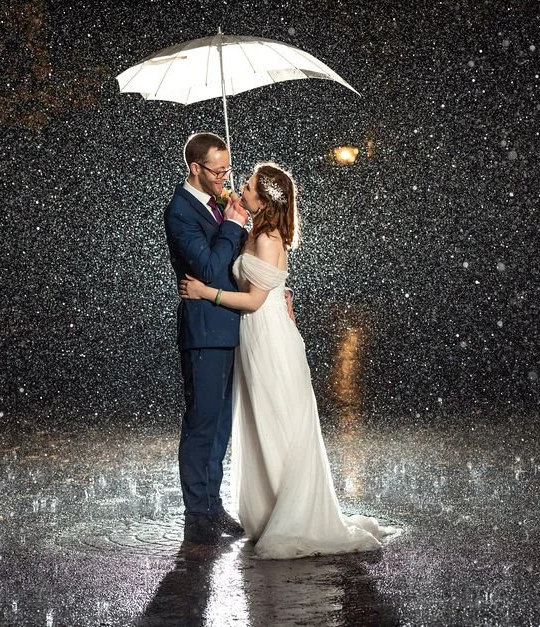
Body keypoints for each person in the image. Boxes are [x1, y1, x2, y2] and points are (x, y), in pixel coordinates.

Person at [179, 163, 398, 559]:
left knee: (278, 420)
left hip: (268, 339)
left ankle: (292, 514)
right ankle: (269, 508)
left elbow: (252, 299)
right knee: (263, 422)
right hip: (257, 335)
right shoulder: (255, 231)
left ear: (263, 200)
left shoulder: (265, 238)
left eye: (246, 186)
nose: (238, 187)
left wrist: (204, 292)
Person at [164, 132, 249, 546]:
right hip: (204, 330)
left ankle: (213, 506)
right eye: (218, 171)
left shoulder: (217, 205)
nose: (224, 178)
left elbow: (234, 264)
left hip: (230, 325)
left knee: (220, 426)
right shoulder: (180, 211)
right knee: (202, 424)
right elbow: (210, 267)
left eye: (228, 169)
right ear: (195, 169)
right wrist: (233, 226)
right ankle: (198, 515)